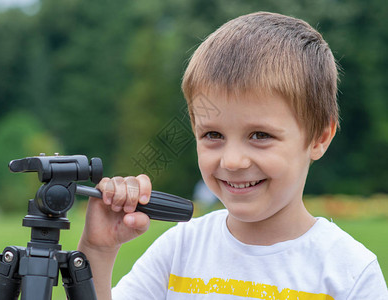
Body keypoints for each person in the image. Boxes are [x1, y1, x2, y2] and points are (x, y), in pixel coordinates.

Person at [77, 12, 388, 299]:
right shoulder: (180, 250)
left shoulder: (349, 272)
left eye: (260, 136)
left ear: (319, 137)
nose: (232, 161)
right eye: (213, 135)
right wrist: (97, 250)